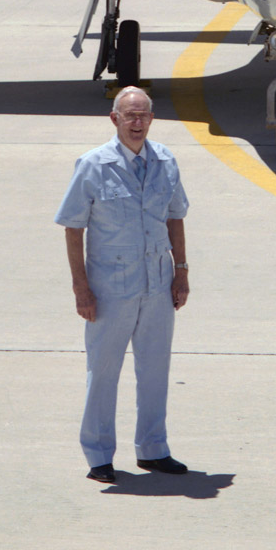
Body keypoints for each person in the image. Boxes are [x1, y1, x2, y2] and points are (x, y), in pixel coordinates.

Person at [55, 86, 191, 483]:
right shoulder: (93, 165)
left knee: (155, 369)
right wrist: (81, 288)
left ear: (152, 119)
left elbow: (176, 217)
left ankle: (153, 448)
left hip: (157, 282)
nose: (137, 123)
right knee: (104, 370)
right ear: (114, 119)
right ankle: (98, 454)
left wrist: (181, 271)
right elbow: (72, 228)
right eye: (130, 116)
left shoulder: (165, 161)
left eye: (144, 115)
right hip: (110, 287)